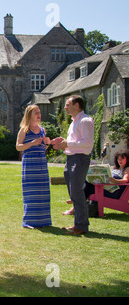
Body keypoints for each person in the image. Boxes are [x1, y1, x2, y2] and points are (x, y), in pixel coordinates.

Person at [52, 95, 94, 235]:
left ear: (77, 105)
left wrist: (67, 143)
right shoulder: (74, 122)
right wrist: (64, 141)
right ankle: (78, 223)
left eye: (68, 104)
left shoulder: (86, 121)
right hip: (70, 159)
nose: (65, 107)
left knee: (77, 192)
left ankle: (81, 226)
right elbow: (76, 141)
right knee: (74, 194)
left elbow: (88, 143)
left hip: (80, 159)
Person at [16, 104, 52, 229]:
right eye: (36, 112)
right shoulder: (24, 130)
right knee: (31, 192)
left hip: (41, 163)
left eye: (39, 112)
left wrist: (47, 143)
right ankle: (30, 221)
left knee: (42, 192)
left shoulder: (43, 130)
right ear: (29, 115)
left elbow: (44, 148)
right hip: (30, 164)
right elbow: (18, 147)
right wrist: (32, 143)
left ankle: (44, 221)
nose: (39, 114)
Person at [63, 149, 129, 214]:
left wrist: (115, 180)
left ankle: (74, 202)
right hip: (106, 188)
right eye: (118, 159)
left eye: (122, 159)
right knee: (87, 182)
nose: (120, 161)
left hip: (115, 192)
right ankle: (75, 201)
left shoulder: (127, 169)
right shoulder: (115, 168)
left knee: (88, 187)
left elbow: (125, 180)